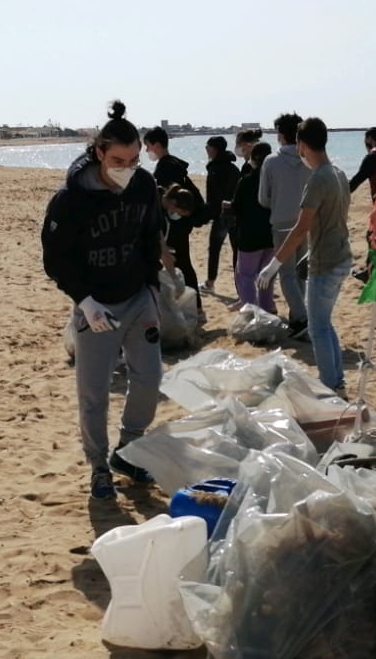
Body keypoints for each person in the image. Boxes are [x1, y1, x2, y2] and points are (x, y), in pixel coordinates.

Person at [41, 101, 167, 502]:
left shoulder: (144, 186)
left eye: (133, 160)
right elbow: (55, 258)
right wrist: (84, 301)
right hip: (95, 305)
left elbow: (151, 235)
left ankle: (127, 451)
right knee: (94, 393)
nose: (126, 168)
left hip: (137, 297)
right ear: (98, 153)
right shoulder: (70, 200)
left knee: (149, 379)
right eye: (117, 160)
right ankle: (98, 466)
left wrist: (152, 284)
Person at [257, 117, 352, 392]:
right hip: (341, 256)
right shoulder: (338, 173)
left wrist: (274, 264)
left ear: (301, 144)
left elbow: (301, 228)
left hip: (327, 262)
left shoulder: (318, 178)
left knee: (317, 328)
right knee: (323, 322)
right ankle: (337, 382)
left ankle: (330, 384)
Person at [257, 112, 312, 338]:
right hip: (305, 220)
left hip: (281, 222)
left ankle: (301, 317)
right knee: (300, 272)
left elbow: (263, 198)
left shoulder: (271, 161)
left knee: (286, 273)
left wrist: (279, 203)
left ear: (281, 134)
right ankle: (297, 317)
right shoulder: (309, 160)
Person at [229, 141, 275, 312]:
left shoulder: (246, 181)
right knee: (266, 276)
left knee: (245, 275)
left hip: (250, 235)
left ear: (253, 159)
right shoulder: (275, 181)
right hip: (271, 234)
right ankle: (268, 308)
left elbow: (236, 207)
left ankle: (253, 313)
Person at [201, 136, 240, 294]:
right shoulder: (233, 168)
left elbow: (213, 196)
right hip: (236, 212)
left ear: (215, 149)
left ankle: (210, 283)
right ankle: (240, 287)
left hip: (221, 214)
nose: (206, 150)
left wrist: (210, 213)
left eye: (208, 147)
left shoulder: (214, 168)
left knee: (215, 248)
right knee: (237, 250)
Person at [160, 183, 206, 311]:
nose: (178, 214)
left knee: (184, 269)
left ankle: (194, 307)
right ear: (173, 202)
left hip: (171, 243)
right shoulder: (156, 206)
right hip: (158, 245)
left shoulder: (170, 209)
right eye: (179, 212)